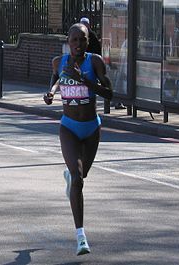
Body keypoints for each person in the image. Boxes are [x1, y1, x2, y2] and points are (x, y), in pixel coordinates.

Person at [43, 23, 113, 256]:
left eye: (82, 40)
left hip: (91, 128)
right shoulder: (59, 62)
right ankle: (81, 237)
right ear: (68, 41)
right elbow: (55, 78)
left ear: (87, 41)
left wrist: (84, 80)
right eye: (74, 40)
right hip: (69, 128)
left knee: (81, 176)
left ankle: (72, 177)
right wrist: (51, 93)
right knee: (78, 180)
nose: (78, 45)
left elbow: (109, 93)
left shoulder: (95, 62)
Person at [80, 17, 125, 110]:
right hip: (85, 63)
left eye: (85, 24)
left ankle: (113, 100)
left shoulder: (92, 36)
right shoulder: (80, 35)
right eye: (82, 24)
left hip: (91, 64)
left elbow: (97, 51)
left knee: (98, 83)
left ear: (88, 25)